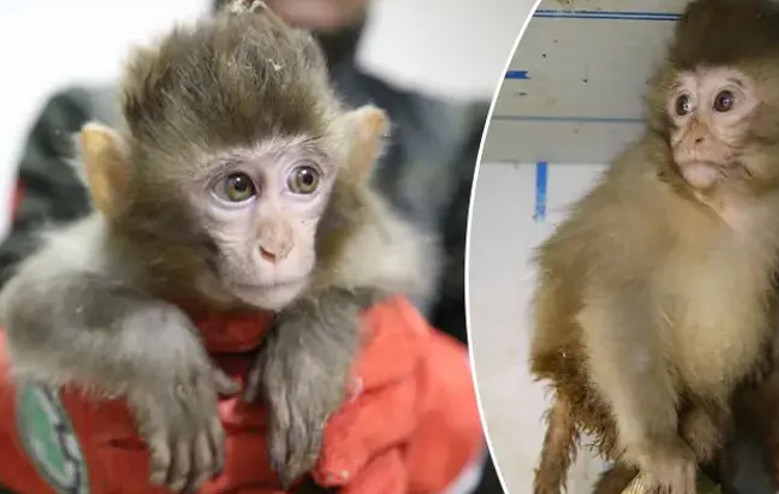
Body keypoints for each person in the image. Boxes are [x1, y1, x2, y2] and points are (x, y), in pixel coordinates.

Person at [0, 1, 500, 493]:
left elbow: (514, 389)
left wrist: (439, 412)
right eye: (237, 187)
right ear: (113, 177)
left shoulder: (458, 135)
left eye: (305, 180)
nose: (277, 241)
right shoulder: (92, 113)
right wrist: (48, 433)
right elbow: (26, 303)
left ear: (359, 152)